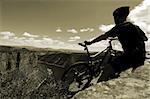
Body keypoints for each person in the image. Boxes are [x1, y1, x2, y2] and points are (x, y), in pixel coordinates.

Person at [85, 6, 148, 82]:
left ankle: (99, 84)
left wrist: (90, 42)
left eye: (115, 17)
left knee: (107, 69)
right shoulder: (136, 27)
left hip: (132, 57)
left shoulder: (119, 27)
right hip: (141, 56)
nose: (115, 20)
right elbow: (145, 38)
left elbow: (103, 36)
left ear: (118, 17)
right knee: (118, 57)